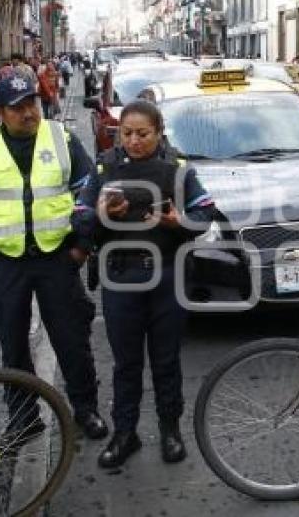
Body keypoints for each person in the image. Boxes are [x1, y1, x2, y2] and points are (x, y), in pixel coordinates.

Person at [0, 72, 107, 441]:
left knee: (71, 339)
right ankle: (24, 419)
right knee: (13, 345)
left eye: (33, 104)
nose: (29, 113)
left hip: (58, 258)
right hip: (7, 262)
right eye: (18, 107)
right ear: (1, 111)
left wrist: (81, 248)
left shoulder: (62, 138)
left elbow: (89, 196)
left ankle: (85, 411)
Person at [73, 99, 216, 468]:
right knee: (126, 364)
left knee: (166, 360)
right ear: (118, 133)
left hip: (167, 277)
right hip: (120, 278)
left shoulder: (178, 168)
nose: (134, 141)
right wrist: (103, 215)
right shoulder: (105, 166)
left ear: (159, 133)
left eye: (143, 134)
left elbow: (205, 214)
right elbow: (80, 216)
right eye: (127, 133)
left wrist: (178, 221)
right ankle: (126, 434)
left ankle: (171, 430)